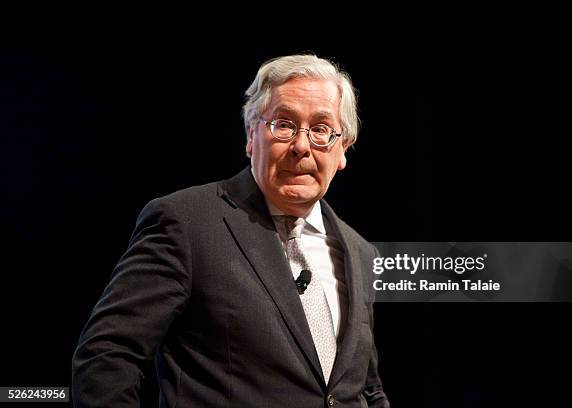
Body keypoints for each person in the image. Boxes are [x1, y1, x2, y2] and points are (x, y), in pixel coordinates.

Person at [72, 54, 390, 407]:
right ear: (251, 135)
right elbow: (108, 355)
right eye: (284, 124)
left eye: (320, 130)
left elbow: (364, 387)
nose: (302, 146)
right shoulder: (187, 223)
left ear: (342, 149)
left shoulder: (361, 252)